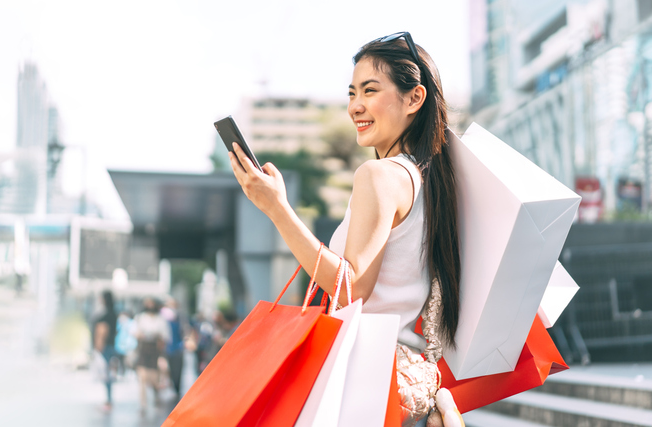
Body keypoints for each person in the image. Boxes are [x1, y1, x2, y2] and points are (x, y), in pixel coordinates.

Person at [228, 32, 462, 427]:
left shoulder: (379, 176)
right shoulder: (431, 182)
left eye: (370, 91)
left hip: (365, 382)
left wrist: (276, 208)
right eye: (352, 93)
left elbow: (350, 287)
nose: (356, 106)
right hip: (403, 383)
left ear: (414, 98)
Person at [134, 297, 171, 416]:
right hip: (143, 351)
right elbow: (135, 333)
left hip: (155, 351)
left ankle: (156, 394)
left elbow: (165, 336)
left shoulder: (160, 320)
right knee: (142, 378)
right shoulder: (140, 318)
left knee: (154, 379)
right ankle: (143, 404)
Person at [92, 290, 118, 412]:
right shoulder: (113, 313)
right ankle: (108, 399)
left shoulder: (105, 315)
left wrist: (99, 345)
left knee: (105, 374)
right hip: (111, 345)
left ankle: (108, 401)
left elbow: (102, 330)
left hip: (105, 347)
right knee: (108, 374)